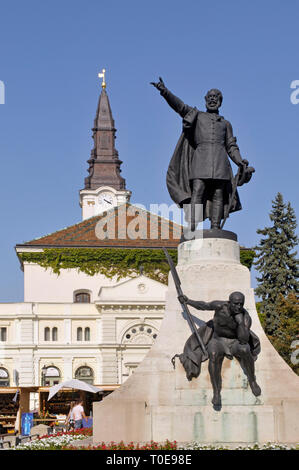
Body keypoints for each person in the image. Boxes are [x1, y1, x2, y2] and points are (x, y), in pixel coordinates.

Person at [151, 78, 254, 230]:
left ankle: (215, 226)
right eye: (210, 97)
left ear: (220, 102)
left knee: (218, 194)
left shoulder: (226, 124)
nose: (213, 99)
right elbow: (180, 107)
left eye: (216, 97)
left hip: (220, 163)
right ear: (205, 100)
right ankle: (192, 226)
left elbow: (231, 146)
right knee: (197, 191)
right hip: (200, 161)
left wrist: (240, 161)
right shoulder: (197, 115)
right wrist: (165, 92)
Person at [176, 291, 261, 407]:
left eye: (241, 304)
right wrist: (187, 301)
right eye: (236, 304)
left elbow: (244, 340)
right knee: (214, 354)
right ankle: (216, 392)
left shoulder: (245, 317)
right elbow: (204, 306)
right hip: (218, 340)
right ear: (229, 302)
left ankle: (252, 380)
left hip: (235, 341)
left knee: (245, 350)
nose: (239, 307)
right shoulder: (220, 306)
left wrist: (240, 323)